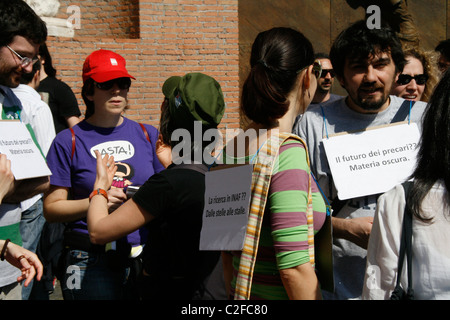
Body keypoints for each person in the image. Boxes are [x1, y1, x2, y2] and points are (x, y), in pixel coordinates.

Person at [293, 20, 428, 300]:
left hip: (412, 285)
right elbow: (293, 210)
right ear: (340, 76)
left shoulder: (425, 118)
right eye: (357, 67)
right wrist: (343, 228)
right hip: (339, 289)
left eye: (380, 64)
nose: (370, 77)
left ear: (397, 69)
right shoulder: (311, 125)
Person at [87, 72, 226, 300]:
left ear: (170, 116)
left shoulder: (169, 184)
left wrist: (100, 187)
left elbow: (98, 232)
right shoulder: (223, 173)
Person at [43, 49, 165, 300]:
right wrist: (97, 199)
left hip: (143, 255)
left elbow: (165, 192)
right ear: (89, 91)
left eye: (123, 83)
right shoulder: (68, 141)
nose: (117, 90)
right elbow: (51, 209)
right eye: (106, 84)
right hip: (88, 257)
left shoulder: (148, 134)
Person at [221, 27, 327, 300]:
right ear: (307, 77)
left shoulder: (230, 149)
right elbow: (294, 270)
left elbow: (224, 251)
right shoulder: (286, 151)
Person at [363, 69, 450, 300]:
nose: (412, 86)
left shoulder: (398, 201)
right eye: (405, 79)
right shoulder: (399, 202)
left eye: (420, 79)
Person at [0, 0, 50, 300]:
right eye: (22, 56)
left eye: (33, 58)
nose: (29, 67)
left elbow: (42, 179)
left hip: (9, 261)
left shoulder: (15, 102)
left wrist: (5, 189)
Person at [12, 59, 56, 299]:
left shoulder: (8, 100)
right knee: (25, 264)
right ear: (36, 75)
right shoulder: (37, 105)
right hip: (31, 198)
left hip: (10, 194)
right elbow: (50, 155)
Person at [37, 43, 81, 133]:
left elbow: (75, 128)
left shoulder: (59, 88)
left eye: (32, 56)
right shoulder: (18, 88)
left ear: (43, 59)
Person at [292, 53, 341, 130]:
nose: (328, 77)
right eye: (323, 73)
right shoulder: (298, 108)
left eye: (332, 73)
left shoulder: (342, 104)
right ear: (310, 73)